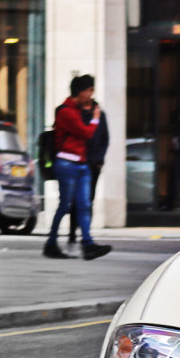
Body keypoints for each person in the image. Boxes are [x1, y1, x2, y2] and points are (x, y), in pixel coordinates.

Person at [44, 75, 111, 260]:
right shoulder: (65, 112)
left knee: (84, 205)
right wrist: (95, 118)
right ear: (80, 92)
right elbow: (86, 132)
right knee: (65, 205)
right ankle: (51, 243)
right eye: (88, 91)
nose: (91, 95)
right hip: (66, 164)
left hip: (82, 164)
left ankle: (88, 244)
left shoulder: (80, 110)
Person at [67, 89, 109, 249]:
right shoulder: (75, 113)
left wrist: (99, 160)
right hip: (78, 162)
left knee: (88, 200)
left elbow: (105, 138)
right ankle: (72, 233)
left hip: (93, 164)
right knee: (75, 199)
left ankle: (85, 234)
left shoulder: (99, 114)